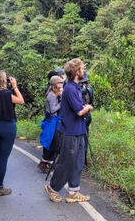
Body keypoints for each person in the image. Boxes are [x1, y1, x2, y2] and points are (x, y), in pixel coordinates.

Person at [45, 58, 93, 203]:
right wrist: (89, 107)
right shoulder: (71, 89)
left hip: (79, 130)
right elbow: (80, 111)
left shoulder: (76, 88)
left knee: (78, 162)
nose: (83, 71)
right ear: (77, 72)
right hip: (70, 132)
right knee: (67, 163)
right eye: (82, 69)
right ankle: (52, 188)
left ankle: (73, 192)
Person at [0, 70, 24, 197]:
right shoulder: (6, 94)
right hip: (7, 126)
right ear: (4, 80)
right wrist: (15, 86)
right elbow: (21, 100)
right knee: (4, 159)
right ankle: (0, 187)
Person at [38, 75, 64, 173]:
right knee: (54, 142)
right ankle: (45, 162)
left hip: (54, 120)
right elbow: (53, 109)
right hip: (52, 121)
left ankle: (47, 163)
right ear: (56, 84)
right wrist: (62, 103)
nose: (62, 84)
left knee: (54, 142)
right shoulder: (52, 95)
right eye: (60, 83)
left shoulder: (56, 94)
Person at [79, 71, 94, 166]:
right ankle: (84, 161)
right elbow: (91, 101)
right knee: (85, 138)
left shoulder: (77, 89)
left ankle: (80, 161)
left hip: (81, 116)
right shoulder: (89, 88)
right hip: (88, 115)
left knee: (78, 139)